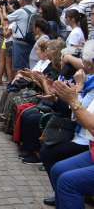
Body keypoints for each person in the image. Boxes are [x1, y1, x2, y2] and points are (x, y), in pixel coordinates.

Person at [48, 40, 94, 209]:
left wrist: (73, 99)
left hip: (84, 139)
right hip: (89, 144)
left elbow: (85, 121)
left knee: (68, 182)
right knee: (58, 169)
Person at [5, 0, 38, 73]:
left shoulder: (20, 11)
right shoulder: (36, 10)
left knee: (20, 68)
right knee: (30, 66)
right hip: (32, 41)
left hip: (20, 43)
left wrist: (1, 10)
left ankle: (21, 84)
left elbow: (6, 19)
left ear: (23, 0)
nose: (19, 0)